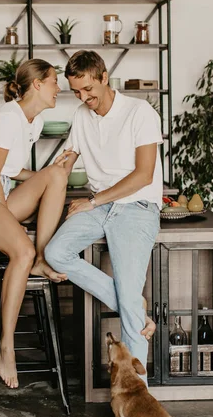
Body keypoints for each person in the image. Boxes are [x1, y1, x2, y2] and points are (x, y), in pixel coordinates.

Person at [45, 50, 162, 381]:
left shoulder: (140, 112)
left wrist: (92, 201)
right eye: (77, 92)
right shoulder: (82, 115)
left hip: (137, 206)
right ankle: (135, 309)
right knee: (55, 253)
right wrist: (43, 178)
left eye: (88, 91)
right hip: (101, 206)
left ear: (104, 77)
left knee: (126, 299)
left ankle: (138, 397)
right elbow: (68, 158)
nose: (84, 99)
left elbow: (143, 175)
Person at [0, 59, 68, 389]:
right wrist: (9, 222)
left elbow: (11, 170)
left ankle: (42, 259)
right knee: (20, 251)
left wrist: (44, 178)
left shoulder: (33, 121)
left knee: (58, 175)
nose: (58, 88)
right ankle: (7, 346)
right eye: (54, 82)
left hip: (0, 190)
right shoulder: (7, 117)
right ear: (37, 84)